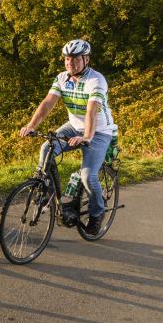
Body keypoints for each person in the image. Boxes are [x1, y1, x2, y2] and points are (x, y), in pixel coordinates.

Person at [19, 39, 117, 235]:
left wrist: (87, 136)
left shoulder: (96, 81)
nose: (70, 63)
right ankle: (45, 188)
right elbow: (48, 103)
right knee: (47, 148)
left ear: (86, 59)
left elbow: (92, 110)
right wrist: (31, 125)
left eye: (75, 59)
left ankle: (97, 213)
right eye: (67, 59)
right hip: (74, 126)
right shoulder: (62, 78)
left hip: (98, 131)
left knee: (88, 176)